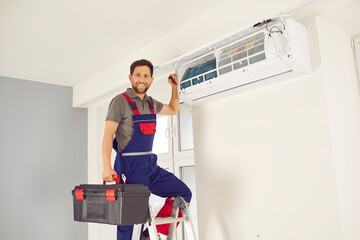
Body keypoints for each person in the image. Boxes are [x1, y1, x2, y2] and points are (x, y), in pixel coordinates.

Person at [102, 59, 192, 240]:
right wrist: (106, 167)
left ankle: (147, 236)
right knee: (129, 222)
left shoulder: (151, 103)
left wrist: (174, 87)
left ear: (151, 79)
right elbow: (107, 136)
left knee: (183, 194)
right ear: (130, 77)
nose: (141, 80)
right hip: (129, 170)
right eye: (137, 75)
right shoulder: (120, 101)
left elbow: (173, 109)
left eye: (146, 76)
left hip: (150, 167)